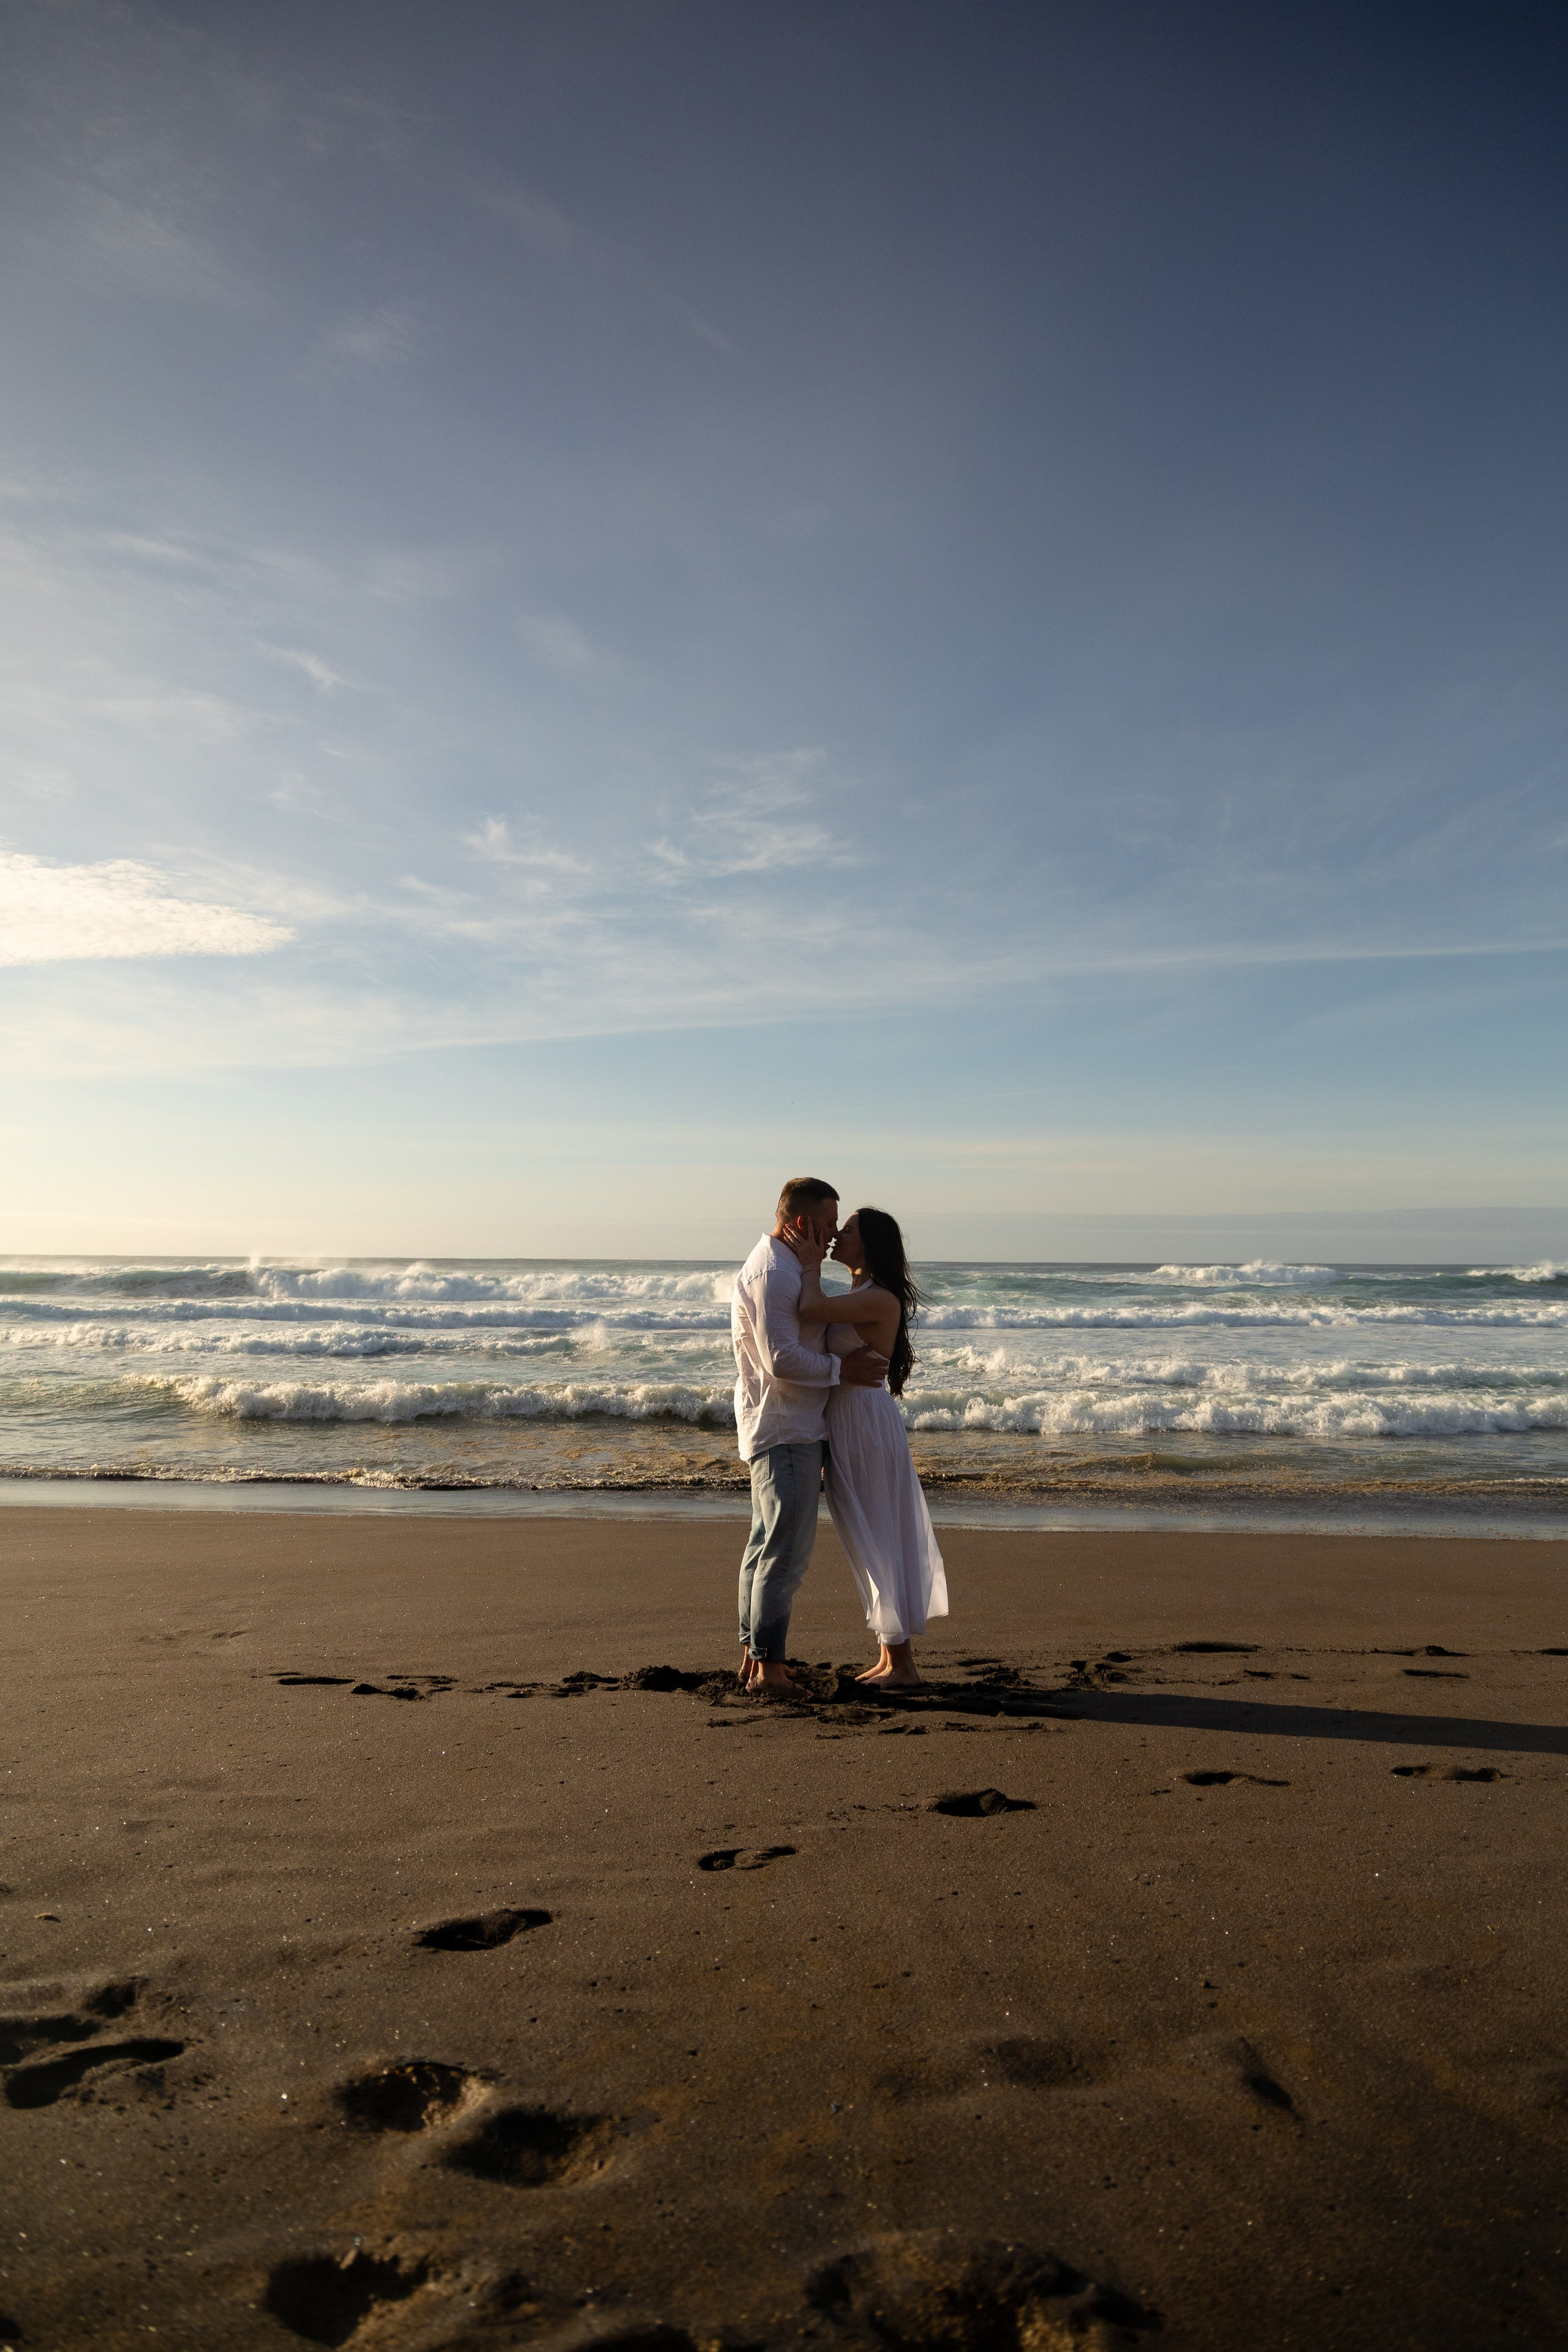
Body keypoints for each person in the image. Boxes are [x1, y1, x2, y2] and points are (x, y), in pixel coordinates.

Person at [731, 1178, 888, 1694]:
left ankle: (756, 1660)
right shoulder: (776, 1274)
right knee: (785, 1552)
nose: (831, 1235)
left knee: (764, 1545)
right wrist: (841, 1370)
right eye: (826, 1225)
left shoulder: (781, 1265)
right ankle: (769, 1670)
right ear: (801, 1223)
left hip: (782, 1424)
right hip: (787, 1427)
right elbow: (780, 1359)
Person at [793, 1206, 947, 1686]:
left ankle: (902, 1666)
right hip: (848, 1420)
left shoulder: (878, 1299)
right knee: (864, 1534)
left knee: (878, 1531)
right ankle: (889, 1656)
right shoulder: (861, 1294)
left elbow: (810, 1307)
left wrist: (810, 1260)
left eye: (849, 1229)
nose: (838, 1234)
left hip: (863, 1422)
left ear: (871, 1243)